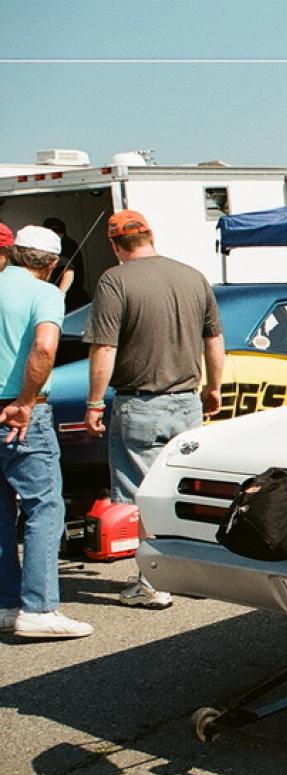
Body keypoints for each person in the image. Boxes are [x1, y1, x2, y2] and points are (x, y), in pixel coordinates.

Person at [83, 210, 224, 609]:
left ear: (114, 245)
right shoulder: (192, 276)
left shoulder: (115, 280)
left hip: (140, 404)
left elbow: (105, 347)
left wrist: (94, 402)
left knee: (144, 498)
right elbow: (214, 340)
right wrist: (213, 388)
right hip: (188, 402)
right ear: (151, 235)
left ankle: (152, 583)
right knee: (185, 490)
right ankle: (192, 575)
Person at [0, 226, 93, 639]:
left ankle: (6, 604)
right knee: (44, 508)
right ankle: (39, 608)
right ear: (52, 263)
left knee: (1, 514)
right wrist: (25, 400)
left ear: (15, 252)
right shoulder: (46, 294)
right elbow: (44, 347)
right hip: (25, 410)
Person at [42, 217, 90, 311]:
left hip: (69, 298)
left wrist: (60, 294)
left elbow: (69, 269)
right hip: (68, 296)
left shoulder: (66, 245)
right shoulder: (69, 243)